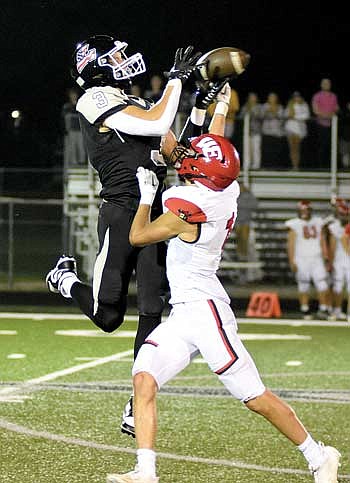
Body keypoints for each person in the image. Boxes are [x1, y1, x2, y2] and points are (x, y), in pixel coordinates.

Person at [106, 86, 341, 483]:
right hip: (185, 310)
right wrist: (219, 105)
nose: (190, 156)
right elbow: (212, 145)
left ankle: (319, 455)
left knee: (254, 397)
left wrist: (146, 196)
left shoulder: (189, 208)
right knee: (144, 378)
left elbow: (138, 236)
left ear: (200, 174)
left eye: (194, 158)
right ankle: (145, 471)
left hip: (206, 311)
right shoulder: (224, 189)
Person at [45, 35, 202, 437]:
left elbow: (178, 153)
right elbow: (157, 122)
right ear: (96, 66)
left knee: (152, 308)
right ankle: (65, 281)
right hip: (120, 212)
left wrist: (201, 106)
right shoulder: (93, 99)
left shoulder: (140, 105)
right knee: (108, 316)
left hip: (152, 213)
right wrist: (176, 81)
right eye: (115, 56)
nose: (125, 60)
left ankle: (137, 402)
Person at [285, 200, 331, 320]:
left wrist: (326, 257)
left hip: (317, 258)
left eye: (306, 210)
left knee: (322, 284)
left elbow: (323, 240)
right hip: (301, 259)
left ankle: (323, 309)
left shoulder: (318, 222)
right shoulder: (294, 224)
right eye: (302, 210)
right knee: (303, 284)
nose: (305, 213)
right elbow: (291, 244)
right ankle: (305, 310)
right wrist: (292, 260)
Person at [328, 200, 350, 320]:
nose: (345, 216)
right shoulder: (334, 226)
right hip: (339, 260)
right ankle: (336, 310)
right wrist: (330, 262)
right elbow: (332, 246)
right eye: (343, 214)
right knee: (337, 286)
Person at [311, 78, 339, 169]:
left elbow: (336, 108)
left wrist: (333, 114)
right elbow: (315, 110)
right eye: (325, 83)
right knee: (321, 147)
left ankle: (330, 166)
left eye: (328, 83)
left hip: (333, 125)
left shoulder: (334, 96)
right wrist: (326, 115)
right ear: (321, 85)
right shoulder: (317, 96)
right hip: (320, 125)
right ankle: (320, 167)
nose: (326, 85)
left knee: (332, 146)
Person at [61, 86, 87, 167]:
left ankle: (82, 162)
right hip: (71, 130)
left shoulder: (80, 104)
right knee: (73, 146)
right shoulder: (67, 106)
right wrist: (65, 130)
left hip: (80, 129)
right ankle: (74, 162)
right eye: (72, 94)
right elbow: (64, 118)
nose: (73, 96)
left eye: (74, 94)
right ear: (69, 96)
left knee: (81, 146)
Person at [284, 91, 310, 170]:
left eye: (298, 96)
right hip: (290, 128)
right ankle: (293, 166)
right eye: (295, 96)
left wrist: (295, 116)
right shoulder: (290, 104)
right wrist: (291, 115)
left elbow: (306, 115)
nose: (297, 98)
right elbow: (286, 114)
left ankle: (297, 166)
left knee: (297, 148)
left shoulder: (304, 105)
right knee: (292, 148)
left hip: (299, 129)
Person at [261, 92, 287, 168]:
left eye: (273, 97)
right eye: (270, 97)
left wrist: (274, 112)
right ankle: (267, 167)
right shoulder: (264, 106)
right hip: (267, 132)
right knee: (267, 151)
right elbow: (261, 116)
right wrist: (268, 111)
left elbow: (282, 119)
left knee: (276, 151)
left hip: (277, 133)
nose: (272, 99)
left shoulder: (280, 107)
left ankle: (276, 167)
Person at [238, 91, 263, 169]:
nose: (252, 99)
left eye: (254, 97)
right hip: (247, 132)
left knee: (256, 149)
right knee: (247, 149)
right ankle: (247, 165)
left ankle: (256, 165)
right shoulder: (245, 107)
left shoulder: (259, 107)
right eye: (251, 97)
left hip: (256, 131)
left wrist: (253, 112)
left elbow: (261, 116)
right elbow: (241, 116)